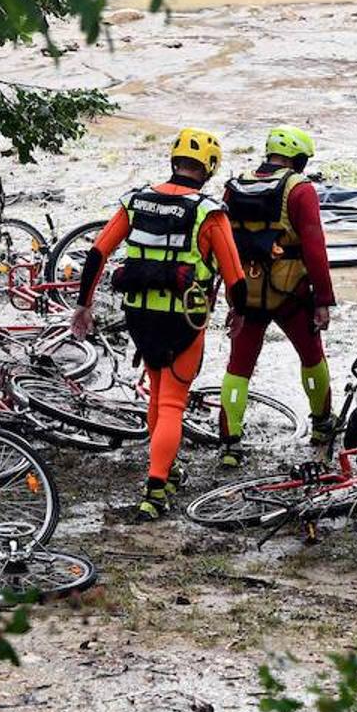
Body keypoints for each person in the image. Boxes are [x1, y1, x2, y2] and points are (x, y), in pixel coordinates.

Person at [69, 128, 245, 520]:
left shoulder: (135, 201)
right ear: (210, 168)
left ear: (173, 160)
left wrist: (84, 305)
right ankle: (155, 489)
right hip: (184, 317)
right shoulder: (208, 212)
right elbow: (234, 277)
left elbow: (98, 253)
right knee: (172, 403)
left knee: (155, 395)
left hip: (140, 315)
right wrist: (239, 312)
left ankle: (165, 469)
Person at [218, 125, 335, 466]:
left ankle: (230, 444)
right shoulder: (300, 190)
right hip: (290, 292)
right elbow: (315, 248)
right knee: (311, 355)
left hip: (246, 291)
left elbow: (223, 244)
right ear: (297, 159)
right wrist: (324, 299)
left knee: (239, 365)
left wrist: (228, 295)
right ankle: (322, 426)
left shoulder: (234, 186)